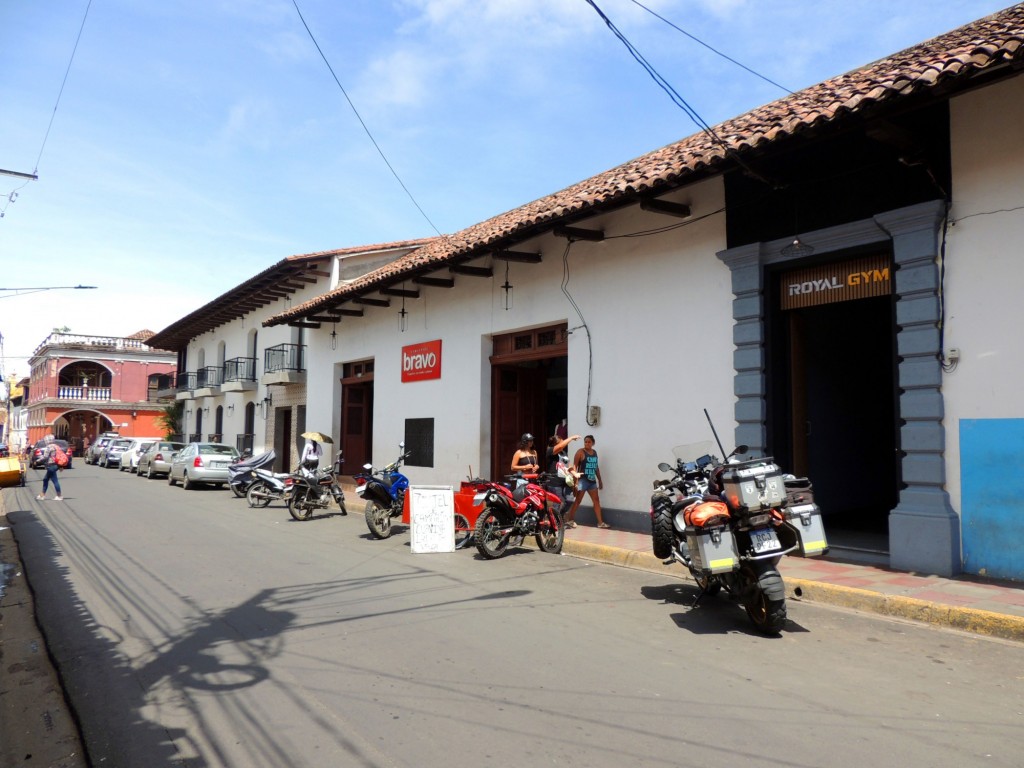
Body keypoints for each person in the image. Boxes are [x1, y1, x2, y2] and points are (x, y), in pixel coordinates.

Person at [566, 434, 607, 528]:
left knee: (596, 501)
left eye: (589, 442)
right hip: (582, 480)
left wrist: (600, 480)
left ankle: (600, 522)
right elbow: (574, 466)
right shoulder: (580, 452)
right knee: (578, 501)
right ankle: (570, 520)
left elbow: (596, 467)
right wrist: (575, 481)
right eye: (585, 442)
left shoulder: (595, 452)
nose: (587, 443)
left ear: (593, 443)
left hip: (592, 481)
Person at [546, 432, 581, 523]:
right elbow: (561, 446)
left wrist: (574, 474)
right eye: (561, 442)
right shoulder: (550, 451)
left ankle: (559, 516)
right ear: (555, 444)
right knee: (558, 502)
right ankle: (553, 525)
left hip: (566, 481)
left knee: (570, 500)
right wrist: (571, 438)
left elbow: (568, 466)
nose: (563, 444)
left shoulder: (563, 452)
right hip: (554, 482)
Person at [36, 434, 64, 502]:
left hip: (51, 466)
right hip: (56, 465)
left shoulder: (48, 447)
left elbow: (45, 457)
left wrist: (37, 461)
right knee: (45, 479)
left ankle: (59, 495)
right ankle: (42, 495)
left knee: (55, 480)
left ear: (47, 441)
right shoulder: (56, 446)